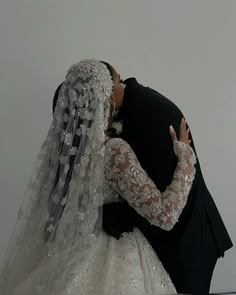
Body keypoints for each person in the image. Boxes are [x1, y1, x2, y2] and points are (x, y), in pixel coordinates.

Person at [0, 59, 196, 295]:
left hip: (68, 251)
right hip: (115, 255)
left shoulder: (63, 152)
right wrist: (185, 158)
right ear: (106, 100)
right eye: (113, 88)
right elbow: (165, 215)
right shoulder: (112, 152)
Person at [102, 74, 233, 294]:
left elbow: (164, 209)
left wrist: (186, 157)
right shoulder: (122, 128)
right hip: (153, 240)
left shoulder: (148, 113)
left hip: (187, 241)